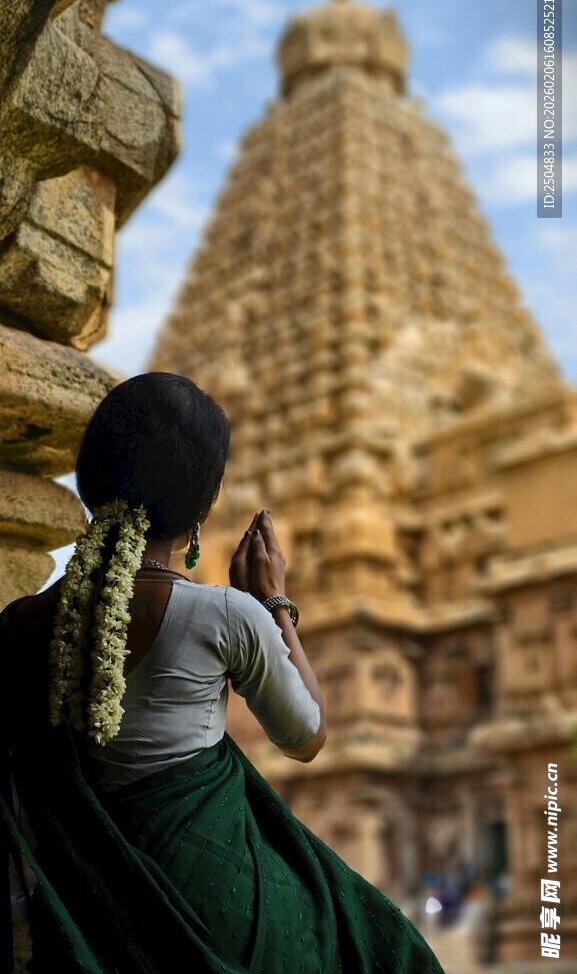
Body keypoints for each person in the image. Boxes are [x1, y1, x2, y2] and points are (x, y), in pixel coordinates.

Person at [1, 372, 445, 974]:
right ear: (203, 505)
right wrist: (274, 604)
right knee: (377, 941)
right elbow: (307, 736)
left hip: (81, 913)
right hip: (221, 905)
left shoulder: (18, 624)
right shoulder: (226, 615)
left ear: (91, 483)